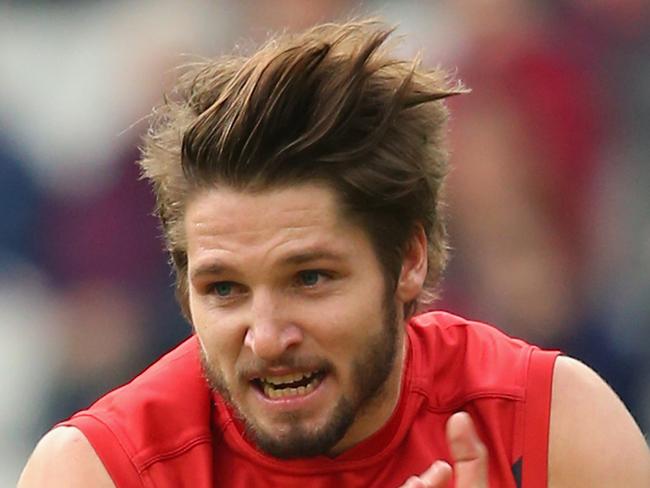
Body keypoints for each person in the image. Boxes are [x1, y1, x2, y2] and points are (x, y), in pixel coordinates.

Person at [19, 20, 649, 487]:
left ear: (409, 260)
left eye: (310, 277)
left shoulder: (552, 425)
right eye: (224, 289)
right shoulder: (98, 470)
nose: (266, 337)